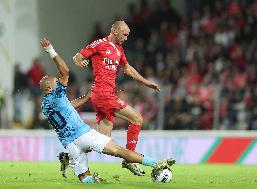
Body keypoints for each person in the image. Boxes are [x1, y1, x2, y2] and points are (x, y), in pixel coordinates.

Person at [39, 38, 174, 183]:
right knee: (119, 150)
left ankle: (69, 158)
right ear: (49, 88)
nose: (58, 81)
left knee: (85, 178)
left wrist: (89, 96)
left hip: (70, 144)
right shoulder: (56, 95)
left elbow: (69, 106)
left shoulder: (45, 105)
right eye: (56, 82)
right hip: (83, 134)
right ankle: (155, 163)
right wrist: (50, 50)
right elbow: (65, 71)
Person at [73, 20, 160, 176]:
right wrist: (81, 62)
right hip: (102, 94)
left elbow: (127, 68)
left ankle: (71, 154)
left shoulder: (119, 49)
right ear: (115, 31)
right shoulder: (99, 44)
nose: (126, 38)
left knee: (103, 142)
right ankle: (130, 159)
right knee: (137, 119)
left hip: (105, 95)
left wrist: (146, 83)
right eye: (125, 35)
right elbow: (77, 57)